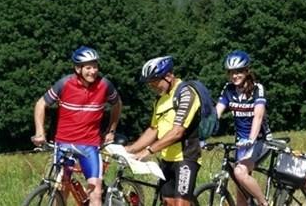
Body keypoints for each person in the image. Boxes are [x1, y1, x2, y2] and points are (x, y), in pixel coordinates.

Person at [31, 46, 122, 206]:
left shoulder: (105, 85)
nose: (93, 71)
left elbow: (117, 104)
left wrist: (111, 130)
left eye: (95, 66)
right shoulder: (65, 84)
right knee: (61, 190)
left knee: (95, 192)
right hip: (64, 143)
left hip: (90, 145)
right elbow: (40, 104)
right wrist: (40, 132)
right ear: (77, 68)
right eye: (88, 67)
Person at [125, 56, 201, 206]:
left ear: (168, 76)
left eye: (155, 81)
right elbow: (154, 129)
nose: (153, 86)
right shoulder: (160, 100)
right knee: (167, 203)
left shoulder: (186, 93)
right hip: (166, 160)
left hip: (186, 157)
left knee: (180, 204)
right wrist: (131, 149)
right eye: (150, 83)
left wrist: (147, 151)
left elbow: (177, 132)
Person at [215, 51, 272, 206]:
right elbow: (217, 112)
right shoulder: (229, 89)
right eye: (231, 72)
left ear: (247, 71)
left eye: (239, 71)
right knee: (240, 193)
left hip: (259, 141)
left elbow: (258, 116)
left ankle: (263, 203)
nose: (235, 76)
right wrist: (203, 133)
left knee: (239, 173)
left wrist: (251, 139)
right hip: (240, 143)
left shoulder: (257, 89)